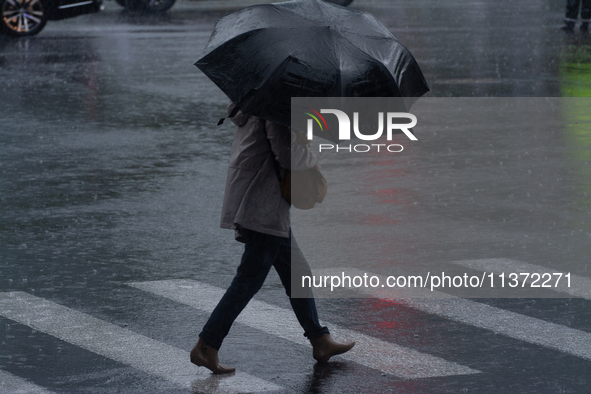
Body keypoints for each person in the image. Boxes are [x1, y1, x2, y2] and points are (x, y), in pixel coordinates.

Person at [190, 103, 355, 374]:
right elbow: (287, 155)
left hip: (262, 203)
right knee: (248, 280)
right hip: (263, 206)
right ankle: (206, 345)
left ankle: (320, 340)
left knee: (297, 273)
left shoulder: (255, 100)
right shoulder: (274, 108)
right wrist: (311, 155)